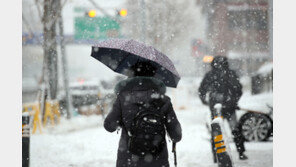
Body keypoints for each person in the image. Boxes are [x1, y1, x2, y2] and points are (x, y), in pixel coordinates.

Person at [104, 61, 182, 167]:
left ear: (131, 75)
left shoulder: (122, 98)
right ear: (154, 76)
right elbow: (176, 136)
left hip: (129, 160)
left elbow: (109, 126)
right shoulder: (164, 100)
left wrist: (124, 120)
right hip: (158, 160)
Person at [198, 56, 248, 160]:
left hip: (216, 107)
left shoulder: (210, 75)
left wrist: (206, 101)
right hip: (229, 107)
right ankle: (241, 152)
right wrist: (233, 100)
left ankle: (216, 154)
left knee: (216, 131)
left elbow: (202, 90)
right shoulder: (230, 74)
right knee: (235, 130)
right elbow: (238, 89)